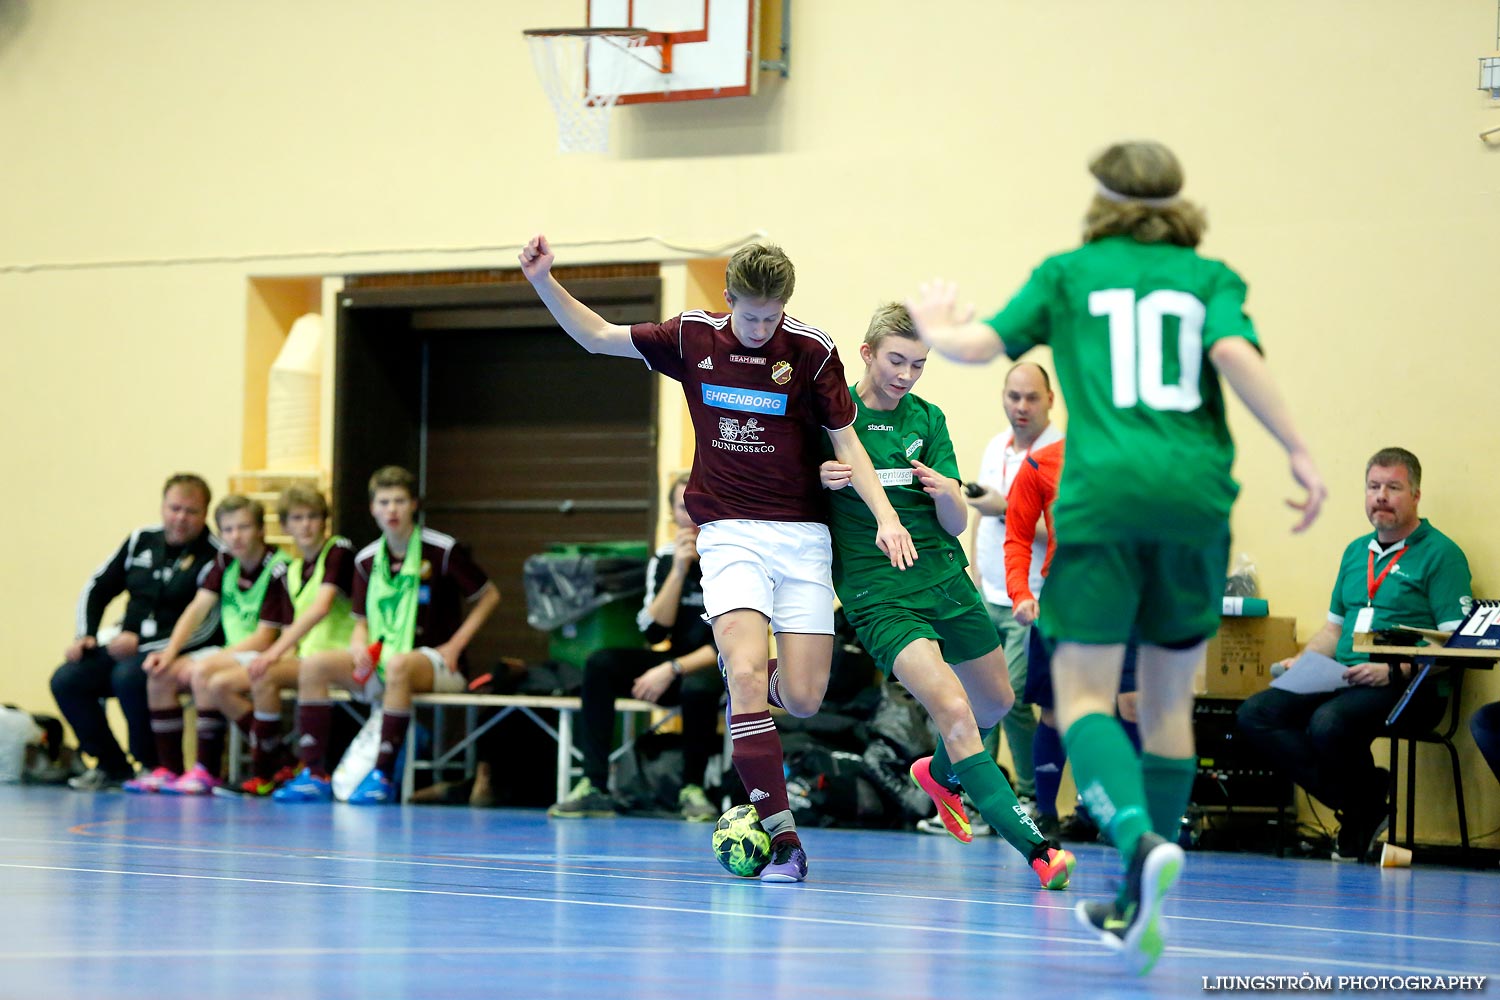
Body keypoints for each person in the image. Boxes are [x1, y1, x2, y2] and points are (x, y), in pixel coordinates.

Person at [906, 140, 1325, 974]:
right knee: (1167, 703)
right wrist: (1299, 450)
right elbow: (1237, 357)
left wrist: (938, 325)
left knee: (1086, 696)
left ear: (1099, 199)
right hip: (1197, 498)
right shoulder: (1212, 278)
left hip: (1103, 501)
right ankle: (1144, 898)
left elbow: (984, 345)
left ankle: (1135, 842)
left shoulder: (1070, 272)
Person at [519, 236, 916, 883]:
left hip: (801, 537)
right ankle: (785, 840)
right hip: (729, 533)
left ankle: (750, 699)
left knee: (808, 696)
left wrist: (887, 516)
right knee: (746, 673)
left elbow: (847, 441)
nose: (761, 329)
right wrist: (543, 281)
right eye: (751, 315)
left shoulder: (811, 351)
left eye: (773, 316)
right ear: (728, 299)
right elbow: (595, 335)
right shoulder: (693, 337)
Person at [819, 303, 1076, 889]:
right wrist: (820, 478)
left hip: (943, 576)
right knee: (957, 712)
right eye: (896, 361)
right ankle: (1039, 851)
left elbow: (958, 521)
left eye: (918, 364)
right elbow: (792, 490)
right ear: (866, 353)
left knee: (993, 703)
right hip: (879, 590)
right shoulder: (834, 417)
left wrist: (945, 492)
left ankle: (938, 772)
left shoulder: (927, 420)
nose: (906, 375)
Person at [1238, 447, 1471, 860]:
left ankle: (1361, 808)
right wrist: (1305, 661)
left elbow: (1454, 644)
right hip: (1342, 677)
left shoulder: (1441, 554)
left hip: (1409, 687)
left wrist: (1393, 671)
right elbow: (1333, 629)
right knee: (1256, 713)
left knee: (1328, 723)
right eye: (1373, 486)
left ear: (1415, 495)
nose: (1381, 495)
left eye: (1393, 487)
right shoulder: (1354, 552)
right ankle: (1365, 802)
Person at [275, 465, 500, 805]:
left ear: (414, 505)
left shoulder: (442, 550)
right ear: (372, 508)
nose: (391, 510)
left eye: (399, 501)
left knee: (398, 665)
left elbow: (489, 595)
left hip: (437, 663)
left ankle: (382, 774)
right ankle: (314, 773)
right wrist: (356, 645)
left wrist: (455, 645)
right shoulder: (366, 560)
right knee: (314, 665)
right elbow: (360, 620)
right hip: (383, 661)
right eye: (384, 502)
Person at [549, 473, 723, 821]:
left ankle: (693, 789)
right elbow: (656, 634)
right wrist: (678, 571)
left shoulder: (728, 558)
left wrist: (670, 668)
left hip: (714, 669)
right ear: (672, 515)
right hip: (672, 663)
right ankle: (594, 785)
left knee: (697, 686)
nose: (689, 514)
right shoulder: (664, 560)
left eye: (696, 504)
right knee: (601, 663)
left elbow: (724, 645)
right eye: (681, 506)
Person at [1005, 437, 1144, 843]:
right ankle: (1046, 813)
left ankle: (1124, 814)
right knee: (1056, 711)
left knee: (1132, 705)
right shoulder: (1041, 466)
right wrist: (1021, 592)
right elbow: (1017, 536)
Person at [50, 474, 223, 790]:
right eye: (175, 508)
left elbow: (210, 625)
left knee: (130, 676)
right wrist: (85, 634)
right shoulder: (140, 540)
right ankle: (111, 765)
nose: (180, 518)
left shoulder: (216, 555)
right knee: (67, 679)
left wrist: (145, 644)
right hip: (123, 644)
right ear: (162, 507)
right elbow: (98, 587)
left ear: (205, 513)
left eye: (191, 511)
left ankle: (151, 764)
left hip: (177, 649)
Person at [125, 494, 294, 795]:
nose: (235, 536)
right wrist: (170, 652)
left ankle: (208, 769)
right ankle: (170, 769)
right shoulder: (225, 560)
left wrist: (212, 660)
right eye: (228, 529)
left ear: (260, 530)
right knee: (159, 673)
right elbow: (197, 609)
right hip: (234, 652)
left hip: (266, 653)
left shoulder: (278, 568)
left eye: (243, 527)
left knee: (203, 672)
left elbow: (266, 636)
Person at [960, 362, 1062, 812]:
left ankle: (1028, 796)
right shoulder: (996, 446)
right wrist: (972, 574)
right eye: (1013, 396)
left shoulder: (1059, 453)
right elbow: (980, 515)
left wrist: (1007, 509)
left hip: (1034, 598)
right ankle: (984, 799)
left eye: (1031, 397)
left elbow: (1062, 532)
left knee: (1016, 699)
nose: (1021, 407)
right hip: (989, 593)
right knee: (981, 700)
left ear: (1050, 400)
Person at [226, 485, 358, 795]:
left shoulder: (338, 551)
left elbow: (321, 607)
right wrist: (277, 656)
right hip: (307, 659)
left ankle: (313, 770)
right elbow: (290, 628)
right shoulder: (292, 570)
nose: (306, 525)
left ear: (325, 521)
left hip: (343, 658)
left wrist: (274, 652)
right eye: (297, 518)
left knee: (269, 665)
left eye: (313, 517)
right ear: (285, 526)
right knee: (256, 677)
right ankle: (270, 769)